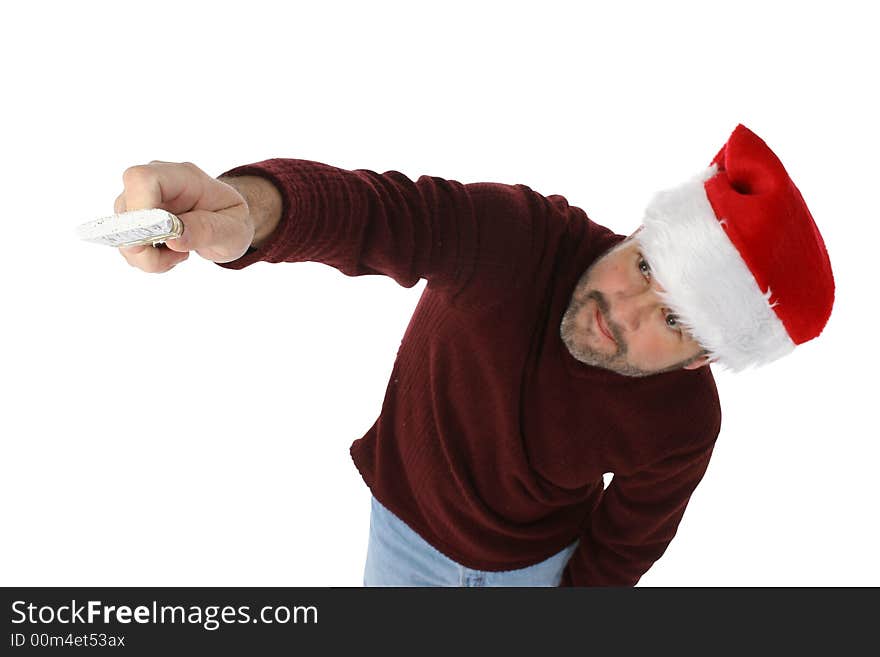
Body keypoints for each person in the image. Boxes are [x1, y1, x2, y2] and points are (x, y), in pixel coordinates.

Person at [113, 124, 834, 586]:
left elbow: (625, 545)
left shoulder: (683, 424)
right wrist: (248, 213)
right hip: (405, 536)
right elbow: (380, 213)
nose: (624, 308)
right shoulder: (521, 239)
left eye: (674, 318)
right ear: (641, 231)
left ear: (698, 360)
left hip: (536, 570)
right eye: (645, 266)